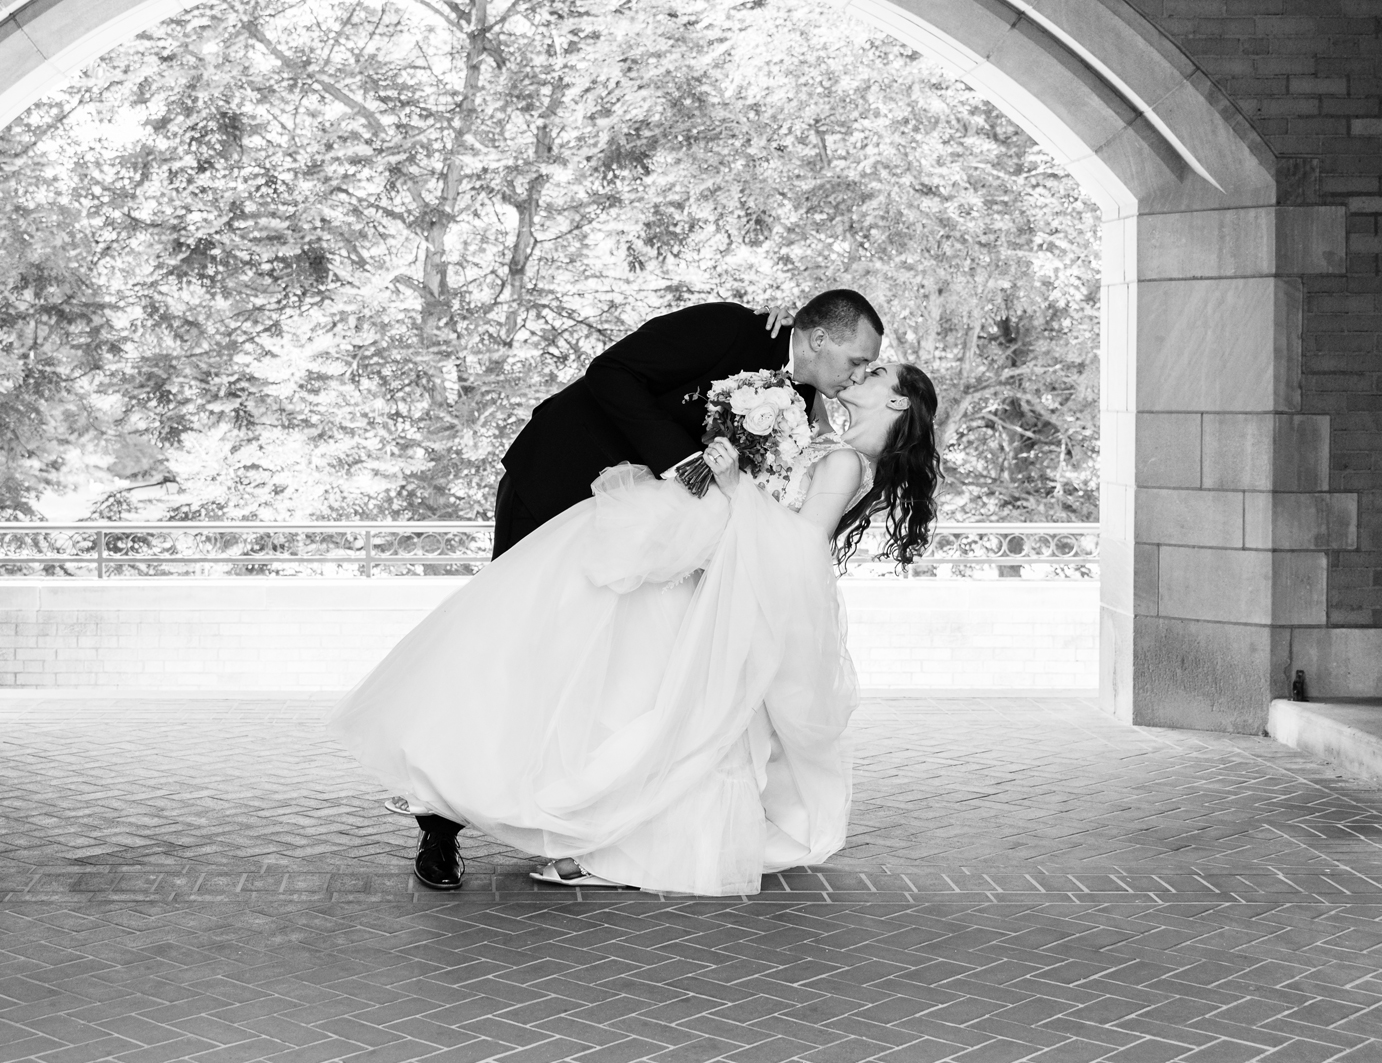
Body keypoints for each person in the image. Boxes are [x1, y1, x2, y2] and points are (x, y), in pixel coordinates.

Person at [327, 362, 942, 896]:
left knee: (669, 711)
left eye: (878, 371)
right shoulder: (823, 442)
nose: (862, 372)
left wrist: (733, 486)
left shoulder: (843, 461)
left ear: (897, 401)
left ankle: (515, 803)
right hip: (708, 566)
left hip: (733, 588)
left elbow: (800, 548)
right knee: (639, 695)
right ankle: (468, 784)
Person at [491, 291, 885, 559]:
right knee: (511, 621)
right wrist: (689, 464)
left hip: (633, 529)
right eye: (856, 361)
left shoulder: (802, 400)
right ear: (818, 339)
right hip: (558, 476)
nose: (860, 375)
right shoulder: (730, 327)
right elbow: (611, 372)